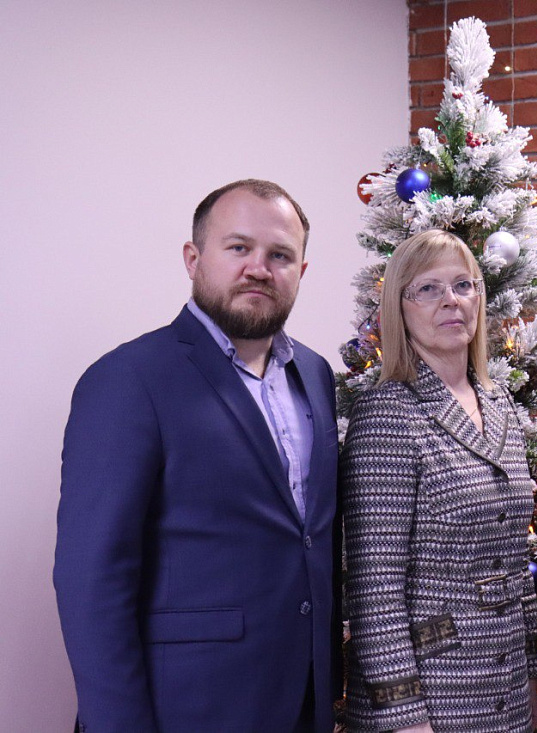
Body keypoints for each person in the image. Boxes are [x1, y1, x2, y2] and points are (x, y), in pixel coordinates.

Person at [54, 179, 340, 733]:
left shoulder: (316, 374)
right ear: (193, 258)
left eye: (280, 255)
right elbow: (91, 579)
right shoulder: (129, 378)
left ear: (301, 272)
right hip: (188, 706)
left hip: (304, 700)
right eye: (239, 247)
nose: (259, 268)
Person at [340, 229, 537, 732]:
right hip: (430, 700)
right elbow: (374, 590)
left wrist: (533, 672)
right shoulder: (387, 415)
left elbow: (513, 561)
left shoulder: (500, 405)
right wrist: (404, 717)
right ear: (400, 307)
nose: (450, 300)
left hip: (505, 693)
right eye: (428, 289)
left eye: (462, 284)